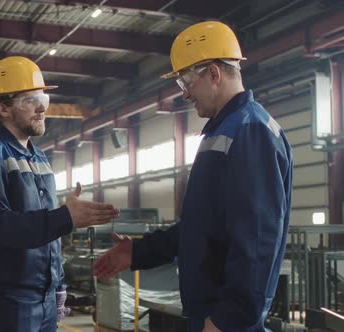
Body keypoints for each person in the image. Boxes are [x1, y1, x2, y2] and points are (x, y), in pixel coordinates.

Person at [92, 21, 293, 332]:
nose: (184, 94)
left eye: (185, 81)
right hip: (211, 311)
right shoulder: (222, 131)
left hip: (227, 320)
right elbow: (201, 225)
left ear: (213, 73)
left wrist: (228, 319)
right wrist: (138, 251)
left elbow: (257, 240)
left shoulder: (250, 132)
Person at [0, 56, 120, 332]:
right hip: (8, 300)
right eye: (31, 100)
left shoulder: (39, 157)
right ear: (4, 108)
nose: (42, 108)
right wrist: (63, 217)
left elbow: (47, 234)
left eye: (43, 98)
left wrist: (57, 285)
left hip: (44, 296)